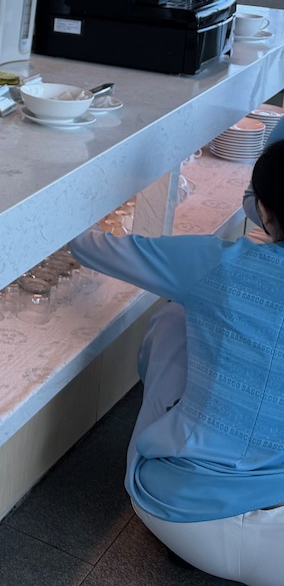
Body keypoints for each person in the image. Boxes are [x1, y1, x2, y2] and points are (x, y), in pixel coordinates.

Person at [69, 142, 284, 586]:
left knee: (173, 320)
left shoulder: (218, 262)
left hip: (179, 514)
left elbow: (87, 245)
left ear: (262, 207)